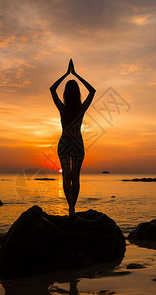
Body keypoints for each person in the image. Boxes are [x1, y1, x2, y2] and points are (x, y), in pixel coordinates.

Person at [50, 59, 95, 218]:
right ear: (77, 94)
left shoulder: (63, 108)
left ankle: (70, 209)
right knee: (75, 177)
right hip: (77, 144)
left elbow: (52, 89)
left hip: (64, 144)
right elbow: (92, 91)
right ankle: (72, 208)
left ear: (66, 94)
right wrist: (76, 74)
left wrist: (66, 74)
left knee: (66, 176)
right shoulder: (81, 109)